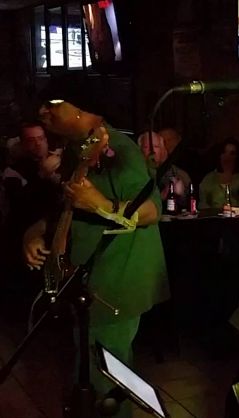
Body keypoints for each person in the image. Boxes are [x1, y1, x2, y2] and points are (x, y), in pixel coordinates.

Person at [22, 98, 169, 418]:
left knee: (105, 375)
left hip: (116, 280)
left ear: (82, 110)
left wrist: (101, 204)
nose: (44, 112)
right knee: (87, 367)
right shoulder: (75, 149)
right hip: (85, 279)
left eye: (53, 104)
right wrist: (34, 233)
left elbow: (151, 210)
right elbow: (67, 207)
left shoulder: (120, 149)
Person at [198, 138, 239, 210]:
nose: (227, 157)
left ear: (238, 157)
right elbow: (202, 204)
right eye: (224, 152)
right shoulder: (209, 179)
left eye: (232, 153)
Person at [137, 130, 191, 210]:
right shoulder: (135, 173)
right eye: (146, 147)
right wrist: (161, 195)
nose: (152, 151)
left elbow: (190, 206)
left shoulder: (179, 174)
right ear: (140, 150)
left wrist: (180, 194)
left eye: (156, 146)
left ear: (162, 150)